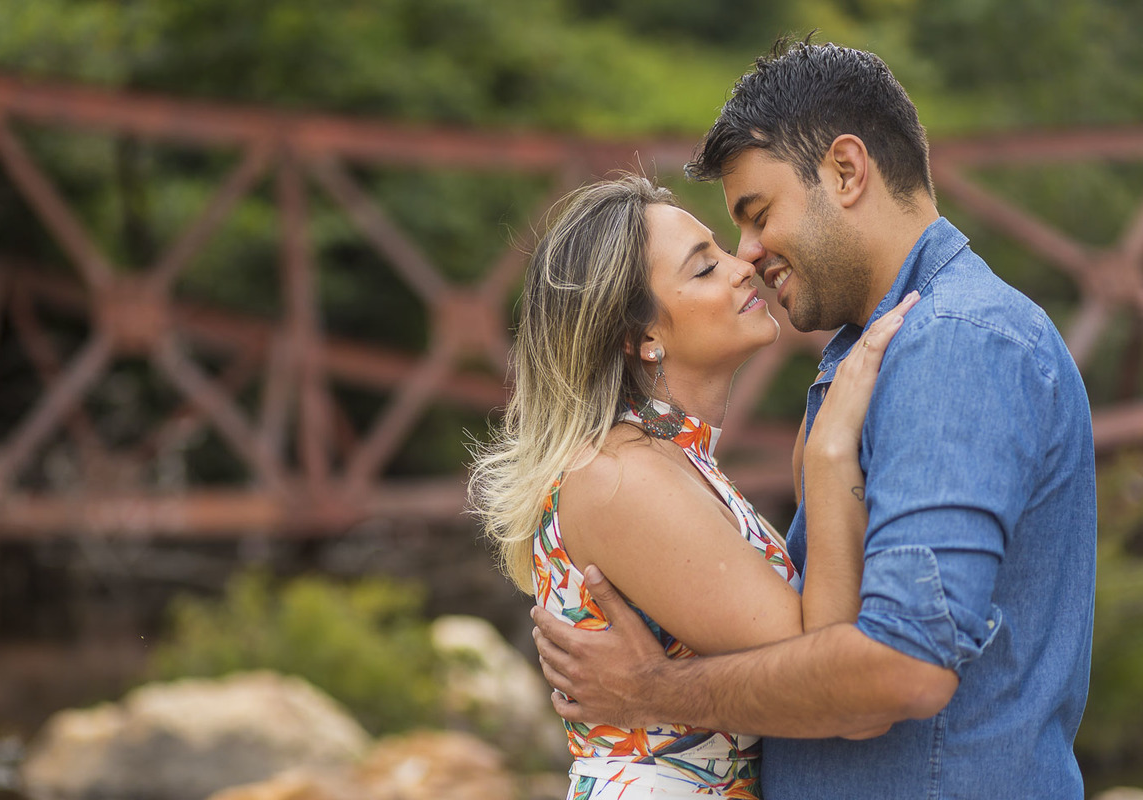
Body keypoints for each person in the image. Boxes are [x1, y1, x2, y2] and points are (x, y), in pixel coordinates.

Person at [531, 38, 1097, 799]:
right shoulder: (871, 352)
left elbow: (899, 669)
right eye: (718, 249)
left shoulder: (956, 344)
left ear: (846, 170)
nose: (748, 254)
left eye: (757, 215)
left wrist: (653, 694)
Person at [469, 173, 918, 798]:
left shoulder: (674, 463)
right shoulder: (621, 478)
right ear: (642, 337)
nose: (744, 267)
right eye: (705, 269)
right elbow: (829, 678)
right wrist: (830, 455)